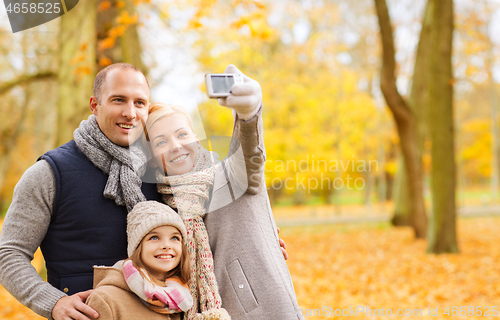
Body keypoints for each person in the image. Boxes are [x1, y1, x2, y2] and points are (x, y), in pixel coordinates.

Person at [0, 62, 293, 320]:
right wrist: (55, 303)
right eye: (118, 100)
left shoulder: (163, 169)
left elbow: (211, 216)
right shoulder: (51, 173)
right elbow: (9, 253)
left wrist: (258, 238)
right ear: (94, 104)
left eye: (140, 103)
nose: (130, 112)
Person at [144, 65, 303, 319]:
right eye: (161, 142)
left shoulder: (231, 175)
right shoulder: (160, 212)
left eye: (182, 134)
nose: (176, 146)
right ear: (152, 158)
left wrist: (248, 113)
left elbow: (249, 153)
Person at [85, 201, 193, 320]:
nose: (167, 245)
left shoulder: (184, 299)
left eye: (174, 238)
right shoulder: (106, 299)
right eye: (154, 237)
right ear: (137, 247)